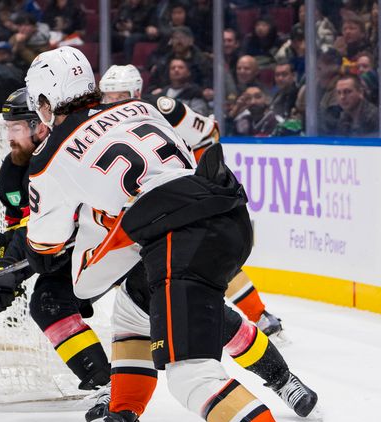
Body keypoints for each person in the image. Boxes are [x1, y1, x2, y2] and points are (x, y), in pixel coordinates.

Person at [23, 47, 319, 422]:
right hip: (226, 211)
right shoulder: (137, 107)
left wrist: (54, 256)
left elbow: (45, 249)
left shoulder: (48, 160)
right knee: (132, 309)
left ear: (45, 100)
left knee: (190, 375)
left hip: (179, 237)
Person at [99, 64, 287, 338]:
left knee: (206, 252)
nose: (114, 102)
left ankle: (258, 315)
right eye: (109, 96)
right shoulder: (98, 123)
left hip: (179, 195)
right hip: (137, 203)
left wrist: (202, 179)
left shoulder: (161, 108)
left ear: (137, 92)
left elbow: (207, 132)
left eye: (120, 95)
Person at [0, 88, 112, 403]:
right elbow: (23, 229)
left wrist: (9, 269)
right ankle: (103, 385)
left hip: (109, 242)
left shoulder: (58, 158)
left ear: (39, 127)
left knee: (161, 307)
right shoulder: (11, 172)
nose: (8, 135)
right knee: (47, 303)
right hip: (68, 252)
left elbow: (48, 229)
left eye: (15, 127)